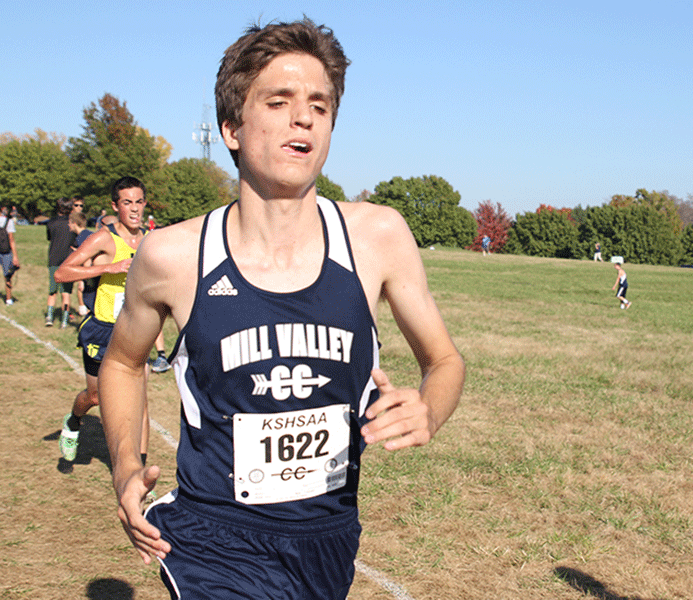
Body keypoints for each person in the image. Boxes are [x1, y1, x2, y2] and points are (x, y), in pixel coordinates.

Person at [99, 19, 465, 600]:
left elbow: (444, 361)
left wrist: (430, 410)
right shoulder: (173, 254)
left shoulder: (377, 237)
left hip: (329, 538)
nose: (305, 117)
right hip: (213, 537)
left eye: (320, 105)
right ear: (232, 128)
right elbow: (121, 363)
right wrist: (124, 465)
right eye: (280, 101)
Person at [55, 177, 151, 462]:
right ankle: (73, 421)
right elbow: (62, 273)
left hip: (133, 330)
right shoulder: (103, 239)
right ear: (115, 206)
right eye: (127, 203)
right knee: (95, 397)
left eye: (139, 202)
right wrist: (111, 267)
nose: (134, 209)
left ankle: (139, 472)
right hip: (102, 329)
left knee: (140, 401)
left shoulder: (149, 240)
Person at [40, 198, 77, 327]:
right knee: (66, 293)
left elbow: (49, 238)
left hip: (54, 259)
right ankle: (65, 321)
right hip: (69, 261)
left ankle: (49, 317)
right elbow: (75, 241)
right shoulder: (72, 223)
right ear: (70, 209)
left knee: (52, 291)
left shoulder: (51, 223)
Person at [0, 206, 20, 305]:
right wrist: (15, 256)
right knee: (7, 276)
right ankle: (8, 299)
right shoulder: (9, 221)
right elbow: (11, 239)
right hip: (5, 251)